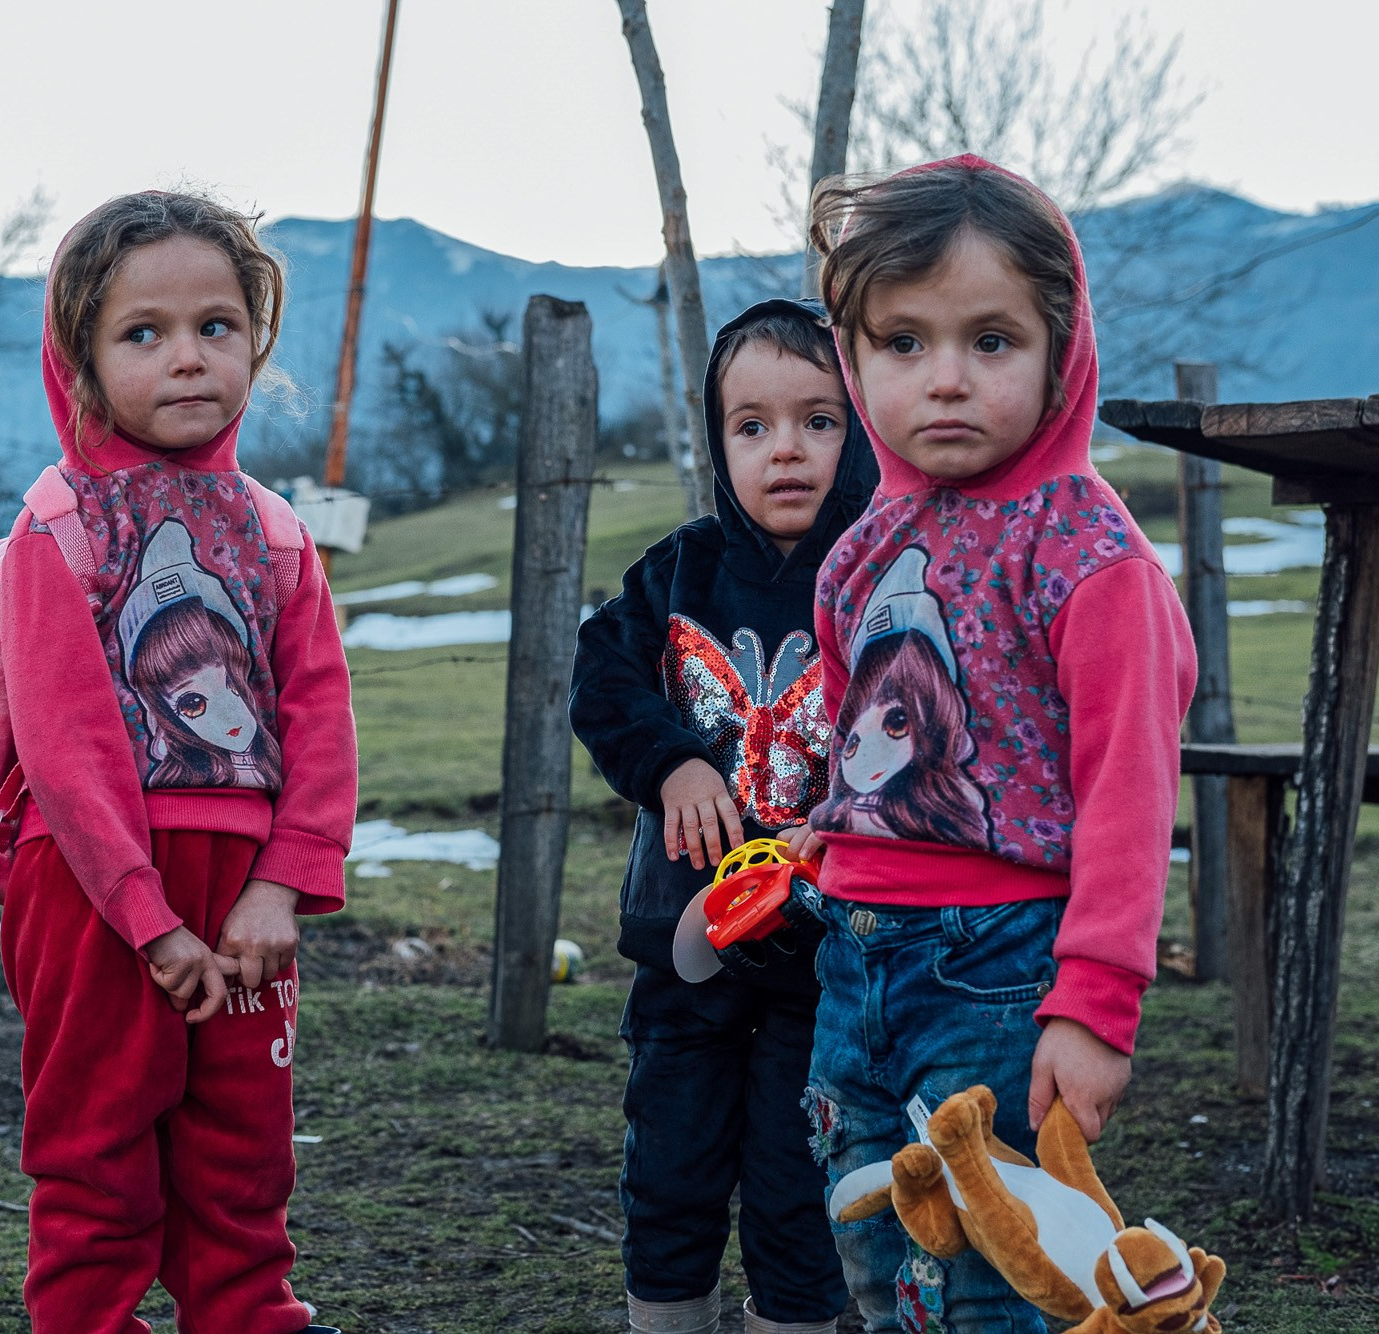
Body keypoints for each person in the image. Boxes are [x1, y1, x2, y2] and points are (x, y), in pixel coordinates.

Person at [792, 155, 1197, 1332]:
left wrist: (1093, 1003)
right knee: (875, 1241)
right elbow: (849, 752)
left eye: (990, 340)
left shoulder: (1085, 553)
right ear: (852, 356)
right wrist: (812, 859)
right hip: (853, 957)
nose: (945, 380)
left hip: (999, 968)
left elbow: (1127, 790)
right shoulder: (863, 545)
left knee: (999, 1265)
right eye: (902, 342)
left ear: (1059, 349)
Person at [0, 190, 355, 1334]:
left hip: (245, 899)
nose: (186, 356)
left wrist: (277, 885)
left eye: (215, 325)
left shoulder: (278, 529)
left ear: (255, 339)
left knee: (242, 1149)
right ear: (81, 360)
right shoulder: (58, 523)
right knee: (97, 1150)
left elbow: (320, 716)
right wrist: (148, 920)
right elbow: (67, 743)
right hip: (94, 892)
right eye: (141, 332)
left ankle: (250, 1313)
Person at [571, 298, 877, 1334]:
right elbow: (601, 682)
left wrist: (847, 815)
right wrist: (668, 766)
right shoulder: (675, 571)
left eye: (817, 421)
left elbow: (921, 727)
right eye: (750, 426)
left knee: (800, 1189)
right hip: (683, 946)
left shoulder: (882, 579)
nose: (782, 450)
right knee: (670, 1166)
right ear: (717, 441)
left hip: (826, 956)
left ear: (867, 429)